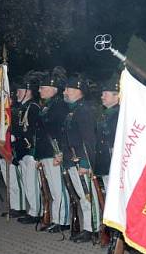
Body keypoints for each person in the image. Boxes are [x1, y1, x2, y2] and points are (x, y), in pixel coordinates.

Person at [60, 74, 99, 243]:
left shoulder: (83, 110)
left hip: (81, 162)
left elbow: (88, 139)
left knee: (87, 197)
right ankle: (89, 228)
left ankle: (93, 229)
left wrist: (85, 162)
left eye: (69, 89)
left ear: (79, 92)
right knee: (83, 197)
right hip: (72, 160)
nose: (65, 92)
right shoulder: (74, 110)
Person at [34, 67, 70, 232]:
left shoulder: (59, 106)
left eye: (43, 87)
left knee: (58, 189)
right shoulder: (47, 106)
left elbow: (61, 132)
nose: (39, 90)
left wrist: (60, 152)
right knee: (51, 188)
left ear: (53, 89)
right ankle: (56, 219)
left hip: (54, 152)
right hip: (45, 152)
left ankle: (63, 221)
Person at [11, 71, 43, 224]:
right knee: (27, 183)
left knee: (32, 184)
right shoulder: (22, 108)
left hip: (30, 152)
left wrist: (35, 153)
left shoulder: (34, 108)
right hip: (22, 151)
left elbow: (36, 132)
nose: (17, 93)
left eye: (20, 91)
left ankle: (36, 212)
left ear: (28, 91)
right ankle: (33, 210)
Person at [95, 78, 120, 189]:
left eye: (105, 93)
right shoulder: (105, 114)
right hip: (106, 162)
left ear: (116, 96)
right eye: (102, 94)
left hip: (116, 162)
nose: (102, 96)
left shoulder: (120, 114)